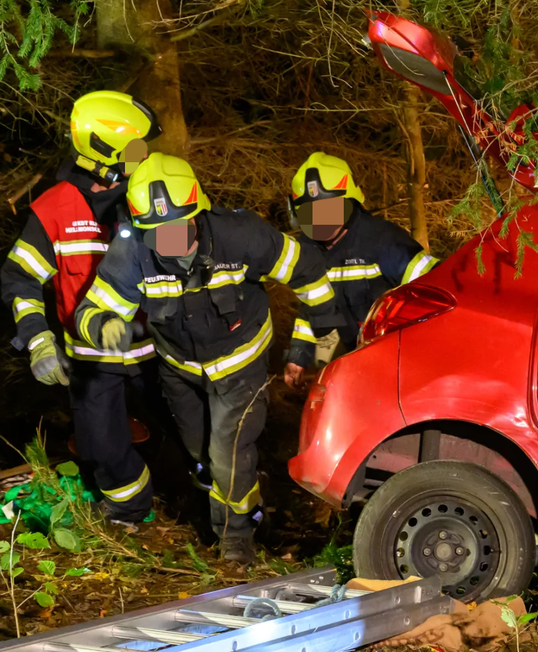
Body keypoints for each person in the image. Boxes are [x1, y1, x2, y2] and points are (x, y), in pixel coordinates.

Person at [74, 153, 343, 564]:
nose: (171, 242)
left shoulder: (241, 235)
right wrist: (103, 325)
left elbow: (305, 269)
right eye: (158, 234)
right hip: (179, 370)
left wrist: (322, 335)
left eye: (179, 229)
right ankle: (256, 511)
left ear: (197, 212)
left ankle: (236, 544)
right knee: (202, 456)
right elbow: (90, 309)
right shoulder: (132, 251)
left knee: (226, 455)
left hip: (240, 363)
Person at [1, 91, 159, 523]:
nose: (144, 157)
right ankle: (128, 511)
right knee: (100, 448)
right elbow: (20, 278)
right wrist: (38, 340)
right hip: (92, 356)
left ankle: (204, 509)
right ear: (104, 152)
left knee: (189, 435)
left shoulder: (148, 195)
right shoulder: (54, 209)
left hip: (156, 349)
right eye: (134, 149)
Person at [283, 151, 437, 383]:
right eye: (310, 214)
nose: (320, 222)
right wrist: (298, 357)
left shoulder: (382, 240)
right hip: (353, 362)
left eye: (328, 211)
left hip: (400, 359)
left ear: (350, 203)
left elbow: (435, 286)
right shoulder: (307, 252)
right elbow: (311, 311)